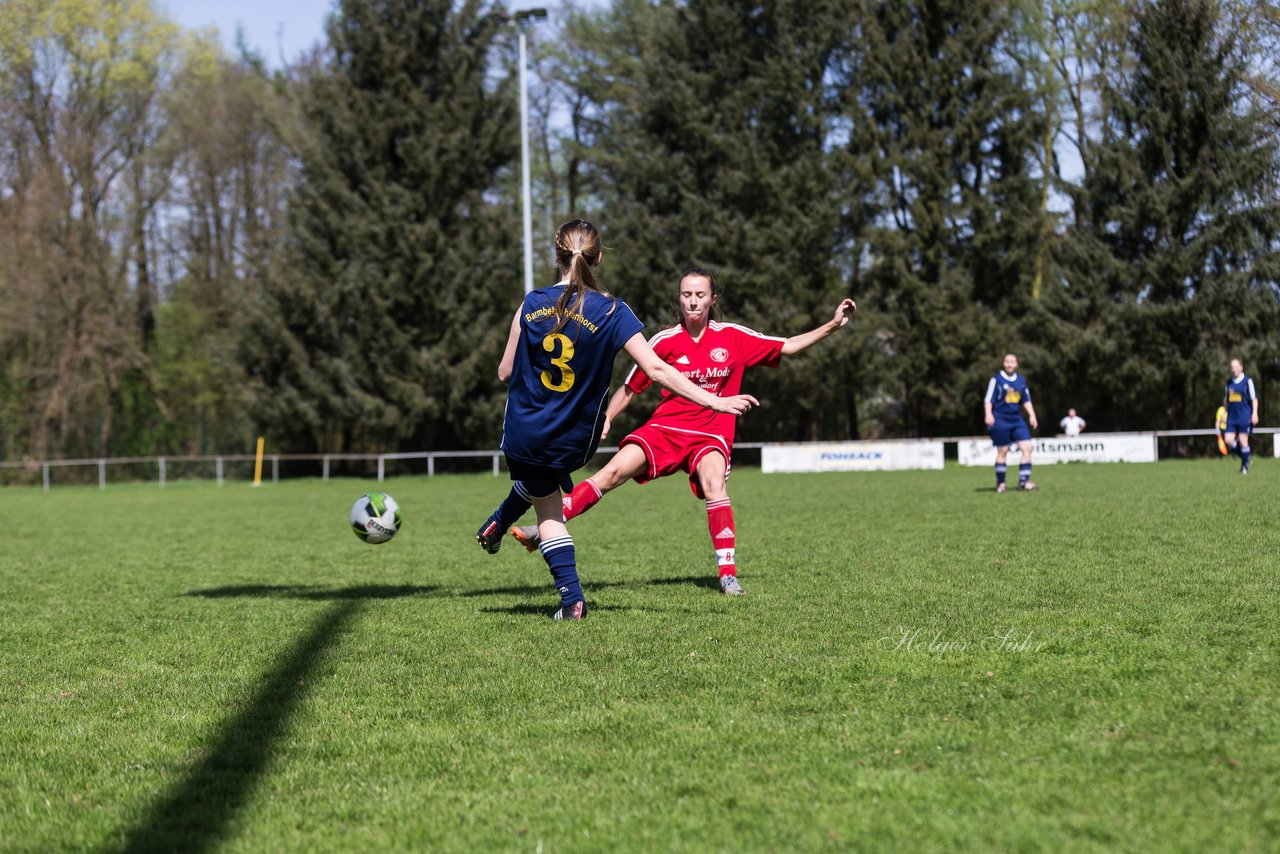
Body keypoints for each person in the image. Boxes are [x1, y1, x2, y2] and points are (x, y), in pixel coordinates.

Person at [508, 267, 856, 596]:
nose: (692, 301)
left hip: (711, 434)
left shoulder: (734, 337)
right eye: (686, 294)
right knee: (612, 472)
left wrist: (834, 325)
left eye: (700, 295)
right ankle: (549, 524)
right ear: (679, 298)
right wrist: (609, 418)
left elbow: (788, 346)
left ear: (712, 300)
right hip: (665, 428)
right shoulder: (665, 341)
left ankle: (727, 574)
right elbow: (630, 388)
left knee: (714, 482)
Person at [474, 222, 757, 621]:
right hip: (575, 435)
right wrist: (716, 400)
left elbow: (505, 371)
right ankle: (508, 532)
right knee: (546, 487)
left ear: (556, 256)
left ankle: (567, 594)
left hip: (523, 430)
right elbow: (657, 370)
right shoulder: (611, 309)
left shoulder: (530, 302)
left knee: (547, 506)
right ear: (598, 258)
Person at [984, 353, 1039, 492]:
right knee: (1003, 450)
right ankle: (1001, 483)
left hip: (1017, 419)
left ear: (1016, 364)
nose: (1010, 364)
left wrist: (1032, 415)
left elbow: (1026, 400)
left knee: (1027, 447)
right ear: (1003, 363)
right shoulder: (996, 380)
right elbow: (988, 399)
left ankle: (1023, 482)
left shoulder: (1020, 380)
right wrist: (988, 414)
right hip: (1000, 419)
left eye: (1012, 362)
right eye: (1007, 361)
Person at [1223, 358, 1259, 474]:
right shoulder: (1229, 383)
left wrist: (1254, 413)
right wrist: (1224, 412)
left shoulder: (1247, 381)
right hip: (1232, 417)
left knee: (1243, 441)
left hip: (1244, 416)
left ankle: (1244, 468)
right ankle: (1246, 457)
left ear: (1241, 367)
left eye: (1236, 367)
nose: (1234, 369)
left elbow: (1254, 399)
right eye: (1232, 367)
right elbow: (1226, 401)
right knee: (1228, 440)